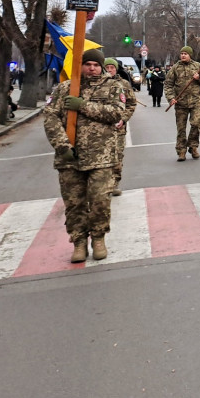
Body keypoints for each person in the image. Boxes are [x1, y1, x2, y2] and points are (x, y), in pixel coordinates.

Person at [43, 48, 125, 263]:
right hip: (69, 158)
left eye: (96, 65)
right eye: (87, 64)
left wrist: (84, 106)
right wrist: (62, 146)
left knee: (100, 200)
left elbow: (117, 112)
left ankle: (98, 238)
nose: (92, 68)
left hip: (102, 156)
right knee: (74, 204)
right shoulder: (64, 89)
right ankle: (79, 242)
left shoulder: (112, 86)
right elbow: (50, 117)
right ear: (80, 66)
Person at [164, 46, 200, 161]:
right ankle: (181, 151)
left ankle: (193, 147)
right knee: (181, 128)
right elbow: (168, 84)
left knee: (196, 124)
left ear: (190, 55)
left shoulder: (197, 66)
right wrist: (171, 98)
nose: (183, 55)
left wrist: (198, 78)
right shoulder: (175, 68)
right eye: (182, 53)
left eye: (185, 53)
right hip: (181, 103)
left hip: (195, 102)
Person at [104, 59, 138, 195]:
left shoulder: (123, 84)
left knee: (117, 156)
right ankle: (102, 184)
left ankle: (114, 183)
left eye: (112, 67)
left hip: (118, 127)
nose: (109, 70)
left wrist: (123, 119)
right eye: (107, 67)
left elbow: (131, 104)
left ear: (116, 69)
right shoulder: (96, 85)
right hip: (100, 128)